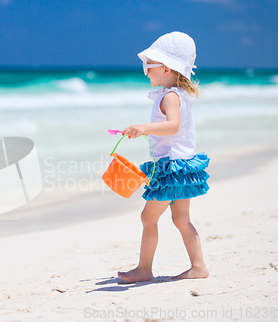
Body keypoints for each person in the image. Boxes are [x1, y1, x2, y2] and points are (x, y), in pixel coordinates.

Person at [117, 31, 210, 282]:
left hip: (171, 168)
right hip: (180, 166)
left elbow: (173, 126)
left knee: (148, 217)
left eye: (149, 65)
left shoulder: (170, 96)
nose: (145, 71)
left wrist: (144, 128)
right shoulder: (177, 94)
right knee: (181, 219)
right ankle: (198, 266)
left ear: (167, 69)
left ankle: (144, 269)